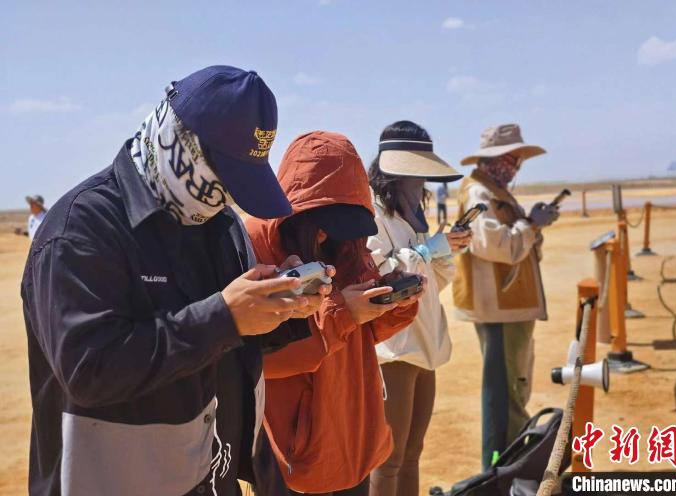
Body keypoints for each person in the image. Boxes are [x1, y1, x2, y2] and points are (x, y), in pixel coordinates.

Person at [20, 66, 330, 496]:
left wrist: (281, 308)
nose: (224, 195)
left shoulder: (218, 226)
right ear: (179, 141)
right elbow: (89, 370)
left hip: (210, 478)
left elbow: (228, 342)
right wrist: (224, 316)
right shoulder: (80, 230)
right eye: (223, 173)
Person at [245, 131, 421, 496]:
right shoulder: (255, 245)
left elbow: (365, 335)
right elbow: (258, 358)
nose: (329, 235)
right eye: (324, 225)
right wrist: (344, 316)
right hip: (295, 447)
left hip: (354, 434)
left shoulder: (350, 242)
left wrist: (390, 302)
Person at [367, 121, 470, 496]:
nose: (420, 184)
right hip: (393, 349)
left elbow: (432, 284)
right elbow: (381, 275)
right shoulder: (372, 214)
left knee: (412, 453)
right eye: (415, 174)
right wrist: (430, 250)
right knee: (389, 459)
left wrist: (446, 247)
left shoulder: (412, 213)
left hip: (424, 342)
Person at [451, 123, 559, 471]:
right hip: (498, 309)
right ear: (493, 159)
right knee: (504, 396)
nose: (515, 167)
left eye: (518, 161)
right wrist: (531, 226)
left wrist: (531, 224)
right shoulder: (479, 193)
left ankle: (508, 469)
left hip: (510, 306)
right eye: (512, 159)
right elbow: (494, 245)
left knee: (513, 388)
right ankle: (498, 473)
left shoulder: (494, 190)